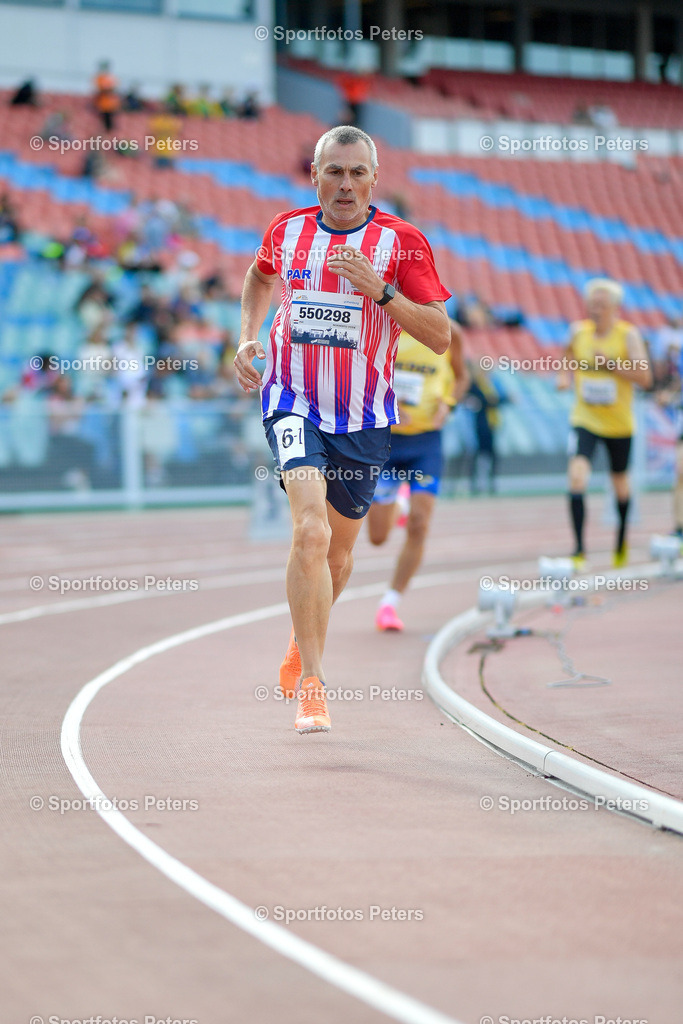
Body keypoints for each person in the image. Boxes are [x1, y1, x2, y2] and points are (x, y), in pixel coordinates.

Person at [234, 124, 450, 734]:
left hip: (363, 416)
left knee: (340, 553)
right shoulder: (288, 229)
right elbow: (258, 275)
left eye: (358, 173)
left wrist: (380, 291)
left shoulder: (402, 244)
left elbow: (439, 337)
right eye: (335, 171)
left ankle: (303, 642)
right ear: (315, 175)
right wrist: (247, 334)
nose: (346, 184)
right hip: (292, 399)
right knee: (308, 532)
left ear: (374, 179)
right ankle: (314, 686)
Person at [367, 320, 467, 631]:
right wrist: (385, 401)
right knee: (378, 537)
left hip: (426, 442)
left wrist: (449, 404)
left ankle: (390, 604)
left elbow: (462, 377)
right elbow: (359, 378)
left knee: (420, 525)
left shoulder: (451, 331)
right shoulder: (381, 326)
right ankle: (399, 503)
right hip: (385, 440)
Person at [557, 278, 652, 569]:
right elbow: (567, 355)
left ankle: (621, 542)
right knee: (577, 475)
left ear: (615, 308)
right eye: (592, 304)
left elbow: (645, 379)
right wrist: (563, 377)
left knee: (620, 482)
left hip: (618, 423)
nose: (595, 310)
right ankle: (578, 551)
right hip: (585, 418)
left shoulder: (628, 336)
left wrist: (612, 365)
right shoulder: (578, 332)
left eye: (601, 305)